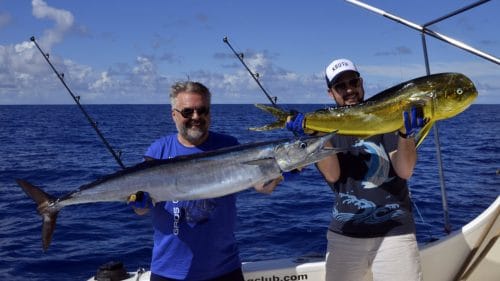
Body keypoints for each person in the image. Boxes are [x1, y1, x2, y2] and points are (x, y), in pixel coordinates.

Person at [286, 58, 425, 281]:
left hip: (395, 232)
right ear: (330, 92)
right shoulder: (324, 126)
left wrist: (406, 135)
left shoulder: (385, 115)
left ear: (362, 83)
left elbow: (405, 170)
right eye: (341, 86)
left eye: (354, 82)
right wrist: (313, 136)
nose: (349, 89)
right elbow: (333, 175)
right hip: (345, 233)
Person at [129, 81, 281, 281]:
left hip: (225, 269)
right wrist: (138, 203)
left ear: (209, 113)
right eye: (187, 112)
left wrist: (277, 173)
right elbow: (140, 209)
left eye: (202, 111)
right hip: (168, 271)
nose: (196, 117)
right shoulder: (158, 151)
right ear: (174, 115)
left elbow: (263, 187)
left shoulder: (228, 145)